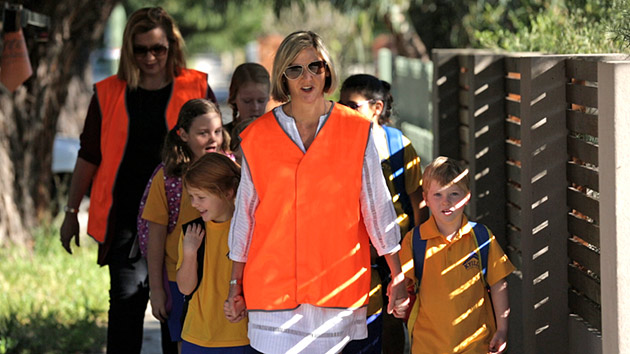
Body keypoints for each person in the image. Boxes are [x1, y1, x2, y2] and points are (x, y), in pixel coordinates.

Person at [223, 30, 409, 354]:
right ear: (283, 77)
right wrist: (234, 285)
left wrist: (397, 275)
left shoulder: (355, 130)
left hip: (337, 291)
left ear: (327, 71)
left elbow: (377, 207)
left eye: (315, 66)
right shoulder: (257, 136)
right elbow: (245, 218)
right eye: (295, 69)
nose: (306, 77)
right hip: (272, 295)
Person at [59, 7, 215, 353]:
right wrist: (71, 211)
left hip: (186, 222)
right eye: (141, 49)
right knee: (126, 312)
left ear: (171, 46)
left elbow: (216, 145)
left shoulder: (196, 85)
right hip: (127, 222)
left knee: (178, 316)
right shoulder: (107, 93)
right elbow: (89, 155)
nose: (150, 57)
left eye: (158, 48)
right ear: (129, 50)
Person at [339, 74, 428, 354]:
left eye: (352, 106)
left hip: (396, 256)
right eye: (339, 104)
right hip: (354, 254)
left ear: (376, 108)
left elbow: (418, 203)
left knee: (392, 324)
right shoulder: (336, 143)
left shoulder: (399, 146)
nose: (343, 110)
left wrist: (417, 250)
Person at [398, 156, 514, 353]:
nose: (446, 201)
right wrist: (399, 302)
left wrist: (502, 329)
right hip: (428, 346)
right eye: (438, 195)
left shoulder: (481, 237)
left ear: (466, 197)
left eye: (454, 194)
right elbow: (403, 286)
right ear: (425, 199)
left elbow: (498, 284)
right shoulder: (414, 240)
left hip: (476, 344)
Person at [140, 99, 229, 352]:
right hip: (177, 279)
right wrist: (156, 290)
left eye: (217, 131)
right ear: (182, 135)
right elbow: (155, 238)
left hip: (221, 278)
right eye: (202, 133)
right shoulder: (168, 177)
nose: (213, 139)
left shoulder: (231, 170)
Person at [177, 152, 255, 353]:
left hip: (241, 338)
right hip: (196, 336)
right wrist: (190, 253)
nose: (194, 204)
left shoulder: (250, 231)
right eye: (192, 197)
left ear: (228, 192)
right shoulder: (192, 232)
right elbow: (185, 288)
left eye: (201, 197)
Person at [225, 62, 271, 144]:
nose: (255, 107)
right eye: (247, 101)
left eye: (261, 101)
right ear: (233, 98)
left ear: (268, 98)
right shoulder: (222, 137)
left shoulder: (281, 133)